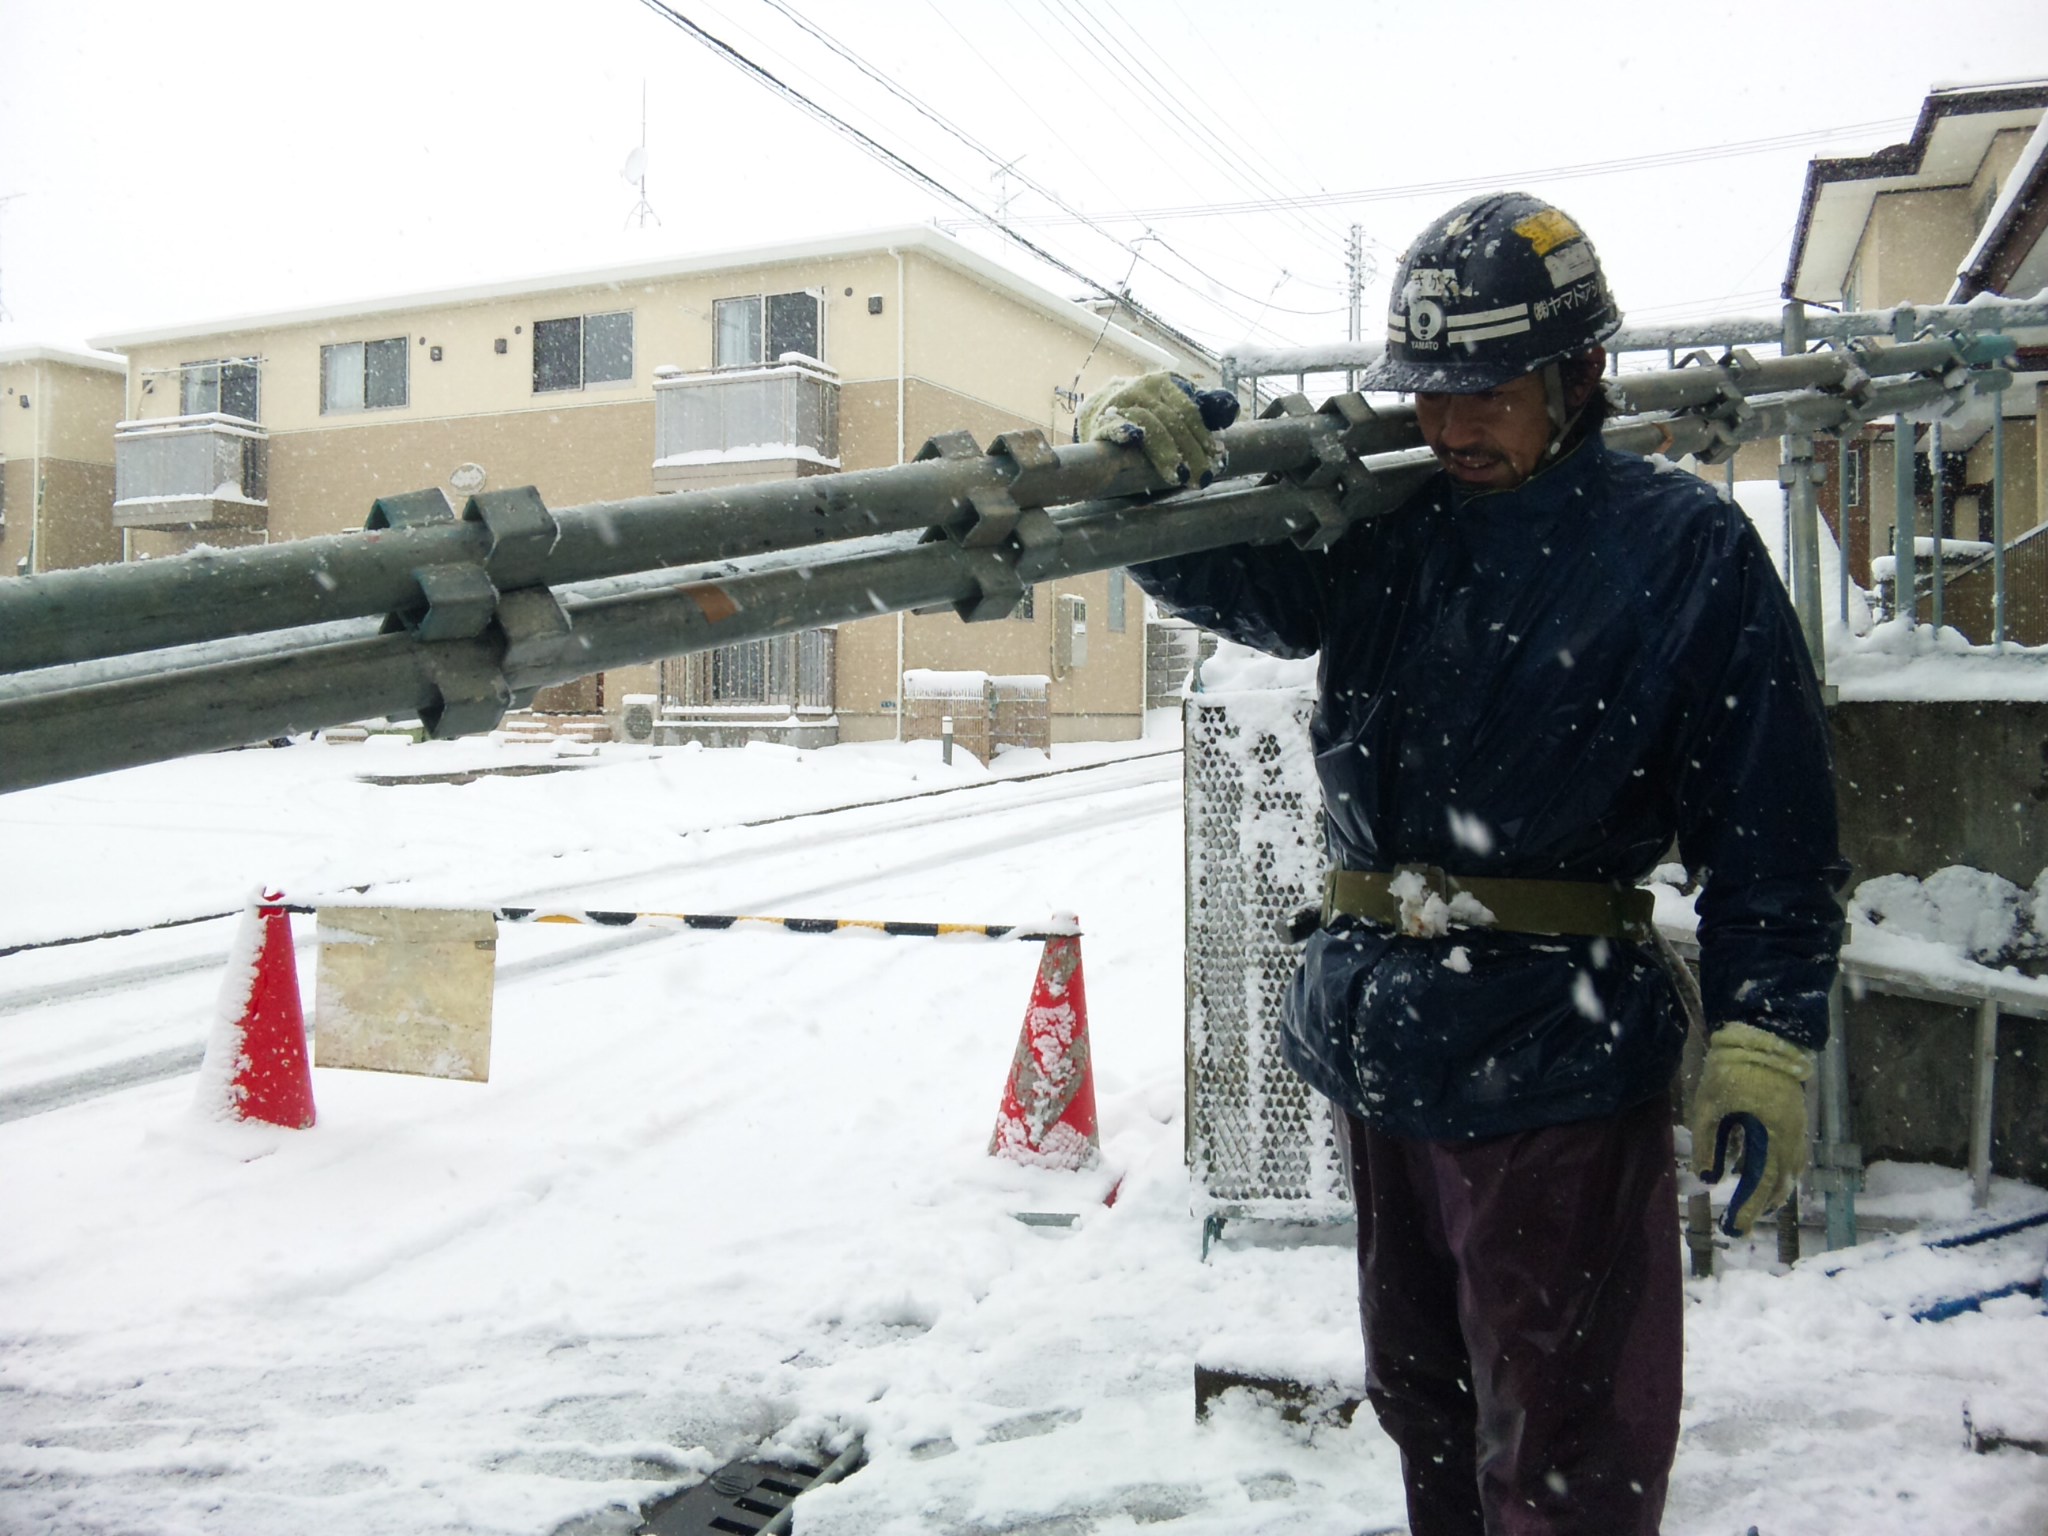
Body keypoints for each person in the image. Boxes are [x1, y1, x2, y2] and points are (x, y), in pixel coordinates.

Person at [1082, 192, 1845, 1535]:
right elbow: (1235, 577)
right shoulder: (1393, 522)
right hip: (1388, 1040)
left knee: (1564, 1447)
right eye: (1434, 392)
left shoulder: (1681, 551)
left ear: (1581, 375)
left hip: (1556, 1049)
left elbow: (1772, 828)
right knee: (1426, 1406)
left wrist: (1764, 1033)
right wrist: (1165, 462)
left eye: (1489, 391)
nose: (1452, 424)